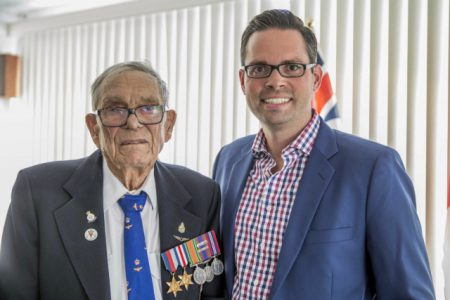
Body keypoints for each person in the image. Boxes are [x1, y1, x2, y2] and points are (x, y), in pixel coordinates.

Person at [213, 9, 435, 300]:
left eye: (292, 67)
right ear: (243, 80)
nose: (275, 81)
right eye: (260, 68)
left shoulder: (373, 168)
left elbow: (409, 294)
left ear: (316, 77)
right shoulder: (228, 161)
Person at [0, 61, 224, 300]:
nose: (133, 122)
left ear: (167, 125)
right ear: (94, 128)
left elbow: (211, 291)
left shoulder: (201, 194)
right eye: (114, 110)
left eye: (148, 108)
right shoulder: (38, 193)